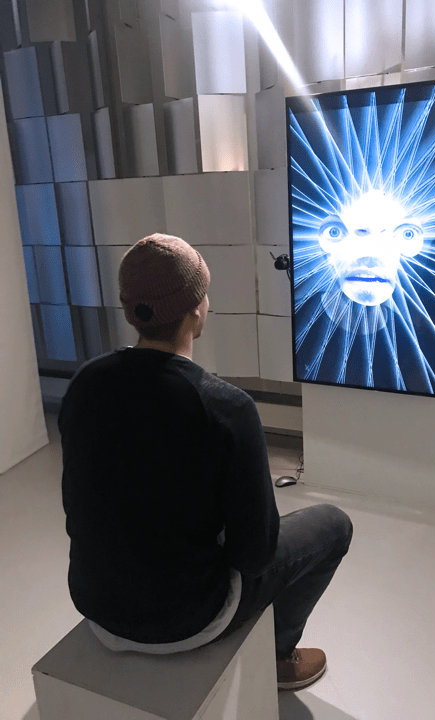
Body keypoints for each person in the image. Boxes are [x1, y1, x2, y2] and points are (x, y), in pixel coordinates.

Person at [59, 233, 353, 691]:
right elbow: (255, 554)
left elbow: (81, 505)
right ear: (197, 308)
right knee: (334, 525)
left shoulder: (84, 384)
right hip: (189, 619)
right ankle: (278, 655)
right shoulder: (226, 407)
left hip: (97, 604)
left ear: (129, 308)